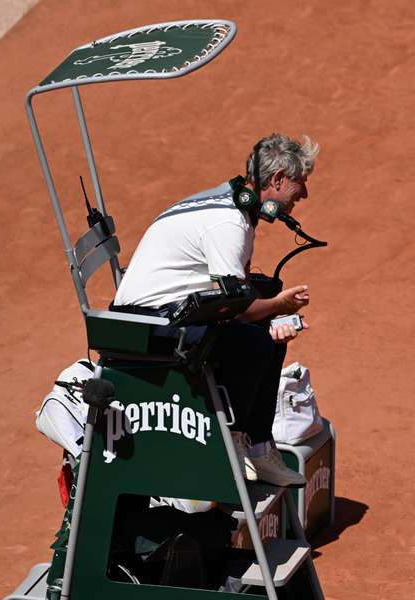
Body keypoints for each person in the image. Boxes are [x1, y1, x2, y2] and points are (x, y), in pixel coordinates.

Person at [111, 132, 320, 488]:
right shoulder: (230, 223)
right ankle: (233, 447)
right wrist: (280, 305)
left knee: (266, 332)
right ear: (278, 180)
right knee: (256, 342)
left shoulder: (231, 203)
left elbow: (231, 294)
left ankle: (258, 447)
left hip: (158, 309)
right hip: (147, 324)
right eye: (300, 183)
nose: (304, 193)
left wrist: (269, 308)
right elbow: (239, 310)